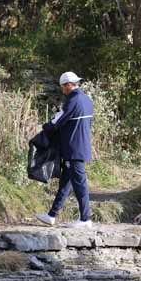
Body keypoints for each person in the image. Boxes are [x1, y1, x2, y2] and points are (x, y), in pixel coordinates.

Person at [36, 71, 94, 229]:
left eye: (63, 87)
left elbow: (58, 121)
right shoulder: (87, 100)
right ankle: (51, 215)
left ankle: (85, 219)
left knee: (80, 183)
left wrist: (46, 127)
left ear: (68, 85)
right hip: (80, 147)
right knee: (65, 183)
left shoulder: (73, 100)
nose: (62, 90)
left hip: (73, 149)